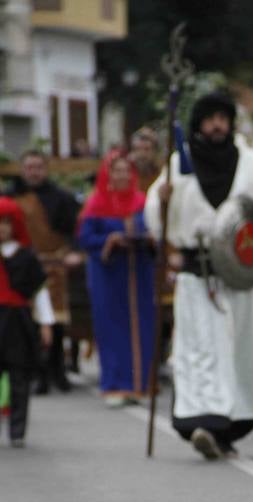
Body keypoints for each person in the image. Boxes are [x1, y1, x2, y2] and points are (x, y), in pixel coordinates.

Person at [145, 89, 253, 459]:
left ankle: (230, 427)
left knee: (238, 350)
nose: (217, 124)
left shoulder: (250, 163)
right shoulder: (180, 163)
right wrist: (163, 200)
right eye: (210, 118)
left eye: (223, 117)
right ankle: (203, 423)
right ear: (199, 124)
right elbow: (155, 218)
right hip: (197, 272)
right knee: (201, 350)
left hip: (239, 275)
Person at [78, 151, 156, 407]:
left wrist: (148, 238)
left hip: (138, 274)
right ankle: (114, 384)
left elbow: (157, 232)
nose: (122, 175)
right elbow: (86, 238)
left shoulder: (142, 202)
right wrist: (108, 240)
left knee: (140, 326)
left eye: (127, 170)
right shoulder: (96, 203)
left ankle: (138, 385)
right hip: (108, 276)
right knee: (111, 328)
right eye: (117, 170)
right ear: (108, 174)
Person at [10, 149, 81, 394]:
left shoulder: (61, 198)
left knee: (55, 323)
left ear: (46, 169)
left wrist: (74, 252)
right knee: (25, 323)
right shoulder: (12, 197)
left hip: (54, 267)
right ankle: (32, 373)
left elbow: (75, 230)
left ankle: (57, 370)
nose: (34, 172)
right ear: (22, 169)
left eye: (38, 167)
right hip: (20, 267)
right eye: (29, 167)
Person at [0, 198, 54, 446]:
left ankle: (17, 430)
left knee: (19, 378)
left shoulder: (26, 257)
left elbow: (40, 292)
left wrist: (46, 323)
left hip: (17, 322)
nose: (2, 228)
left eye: (6, 223)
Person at [129, 128, 162, 193]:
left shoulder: (162, 171)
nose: (142, 154)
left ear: (154, 151)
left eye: (146, 149)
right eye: (138, 149)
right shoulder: (125, 171)